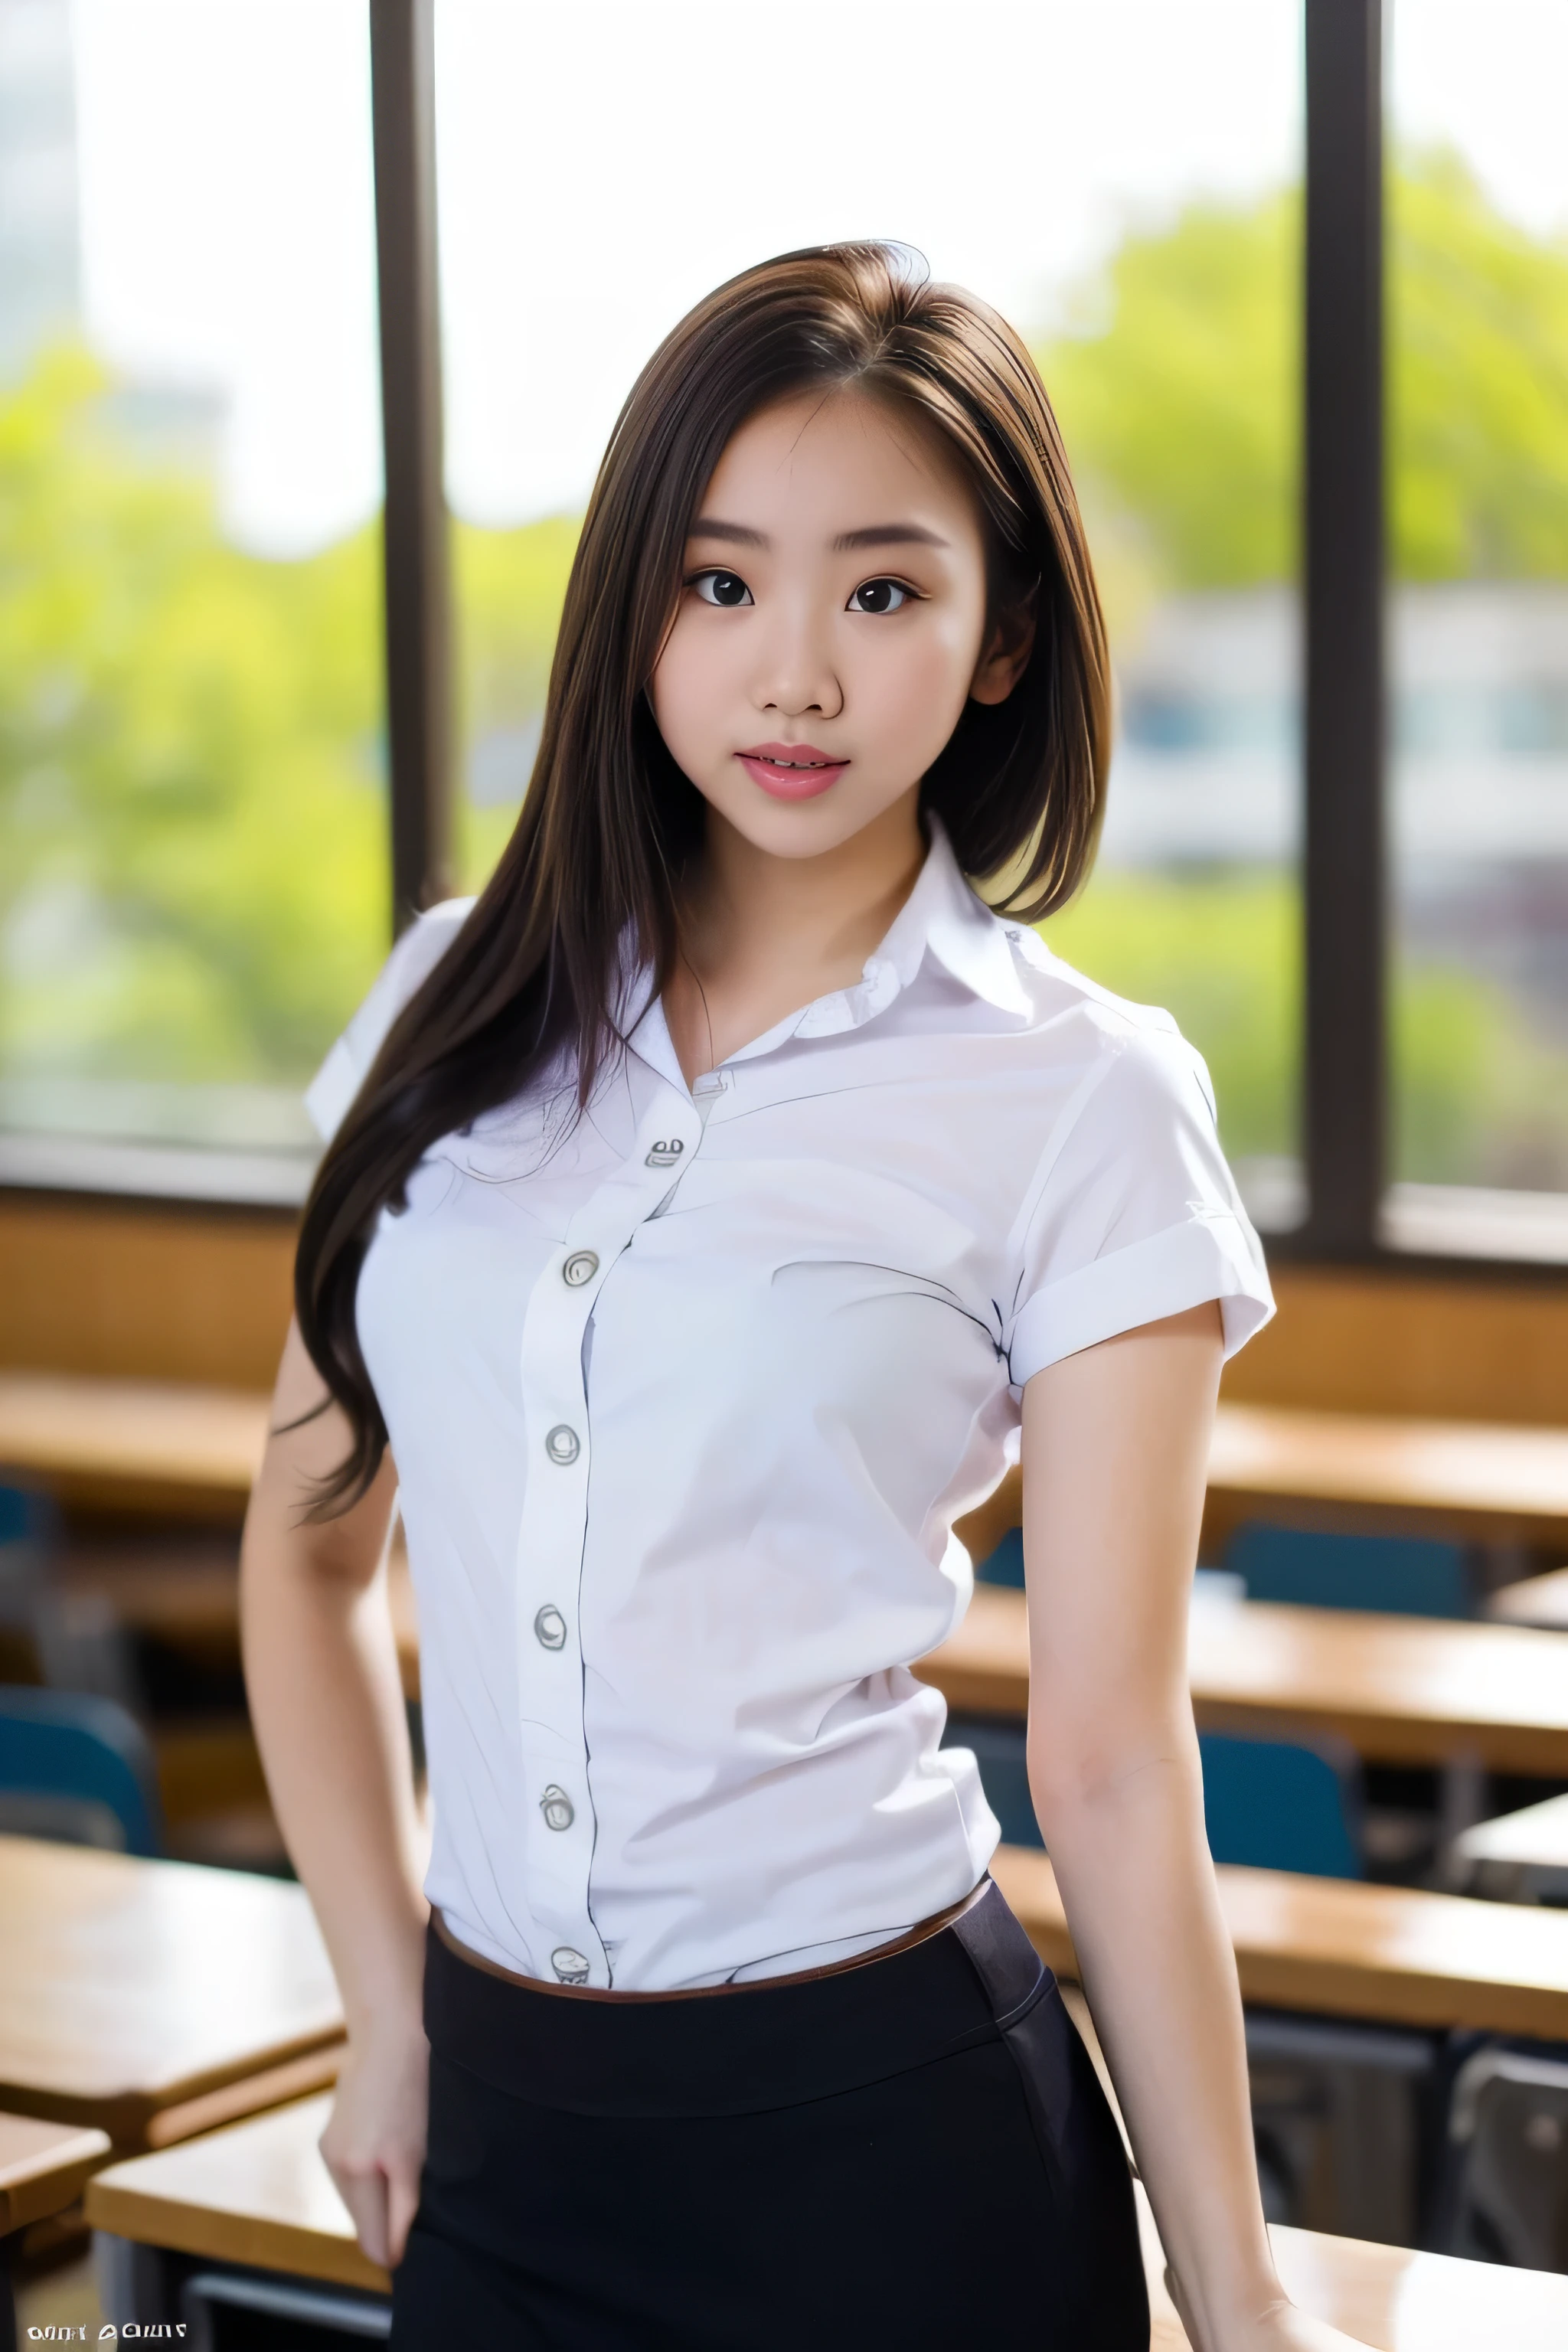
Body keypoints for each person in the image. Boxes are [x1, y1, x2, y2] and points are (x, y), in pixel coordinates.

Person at [241, 243, 1373, 2350]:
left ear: (1005, 636)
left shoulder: (1084, 1097)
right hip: (503, 2142)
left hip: (886, 2146)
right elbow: (303, 1572)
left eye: (883, 591)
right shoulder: (446, 1005)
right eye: (720, 584)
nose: (795, 679)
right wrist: (382, 2015)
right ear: (634, 615)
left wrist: (1240, 2293)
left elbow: (1115, 1759)